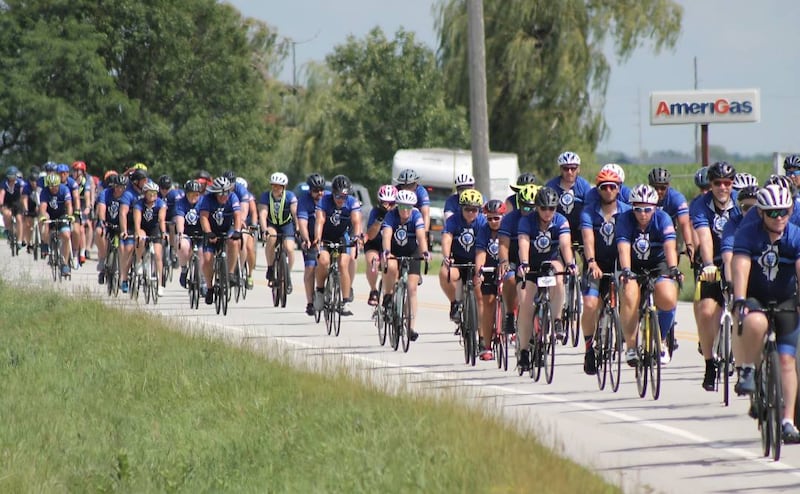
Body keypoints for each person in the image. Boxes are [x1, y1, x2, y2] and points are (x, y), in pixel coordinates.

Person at [731, 184, 800, 443]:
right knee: (756, 321)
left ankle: (787, 421)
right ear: (761, 213)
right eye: (772, 213)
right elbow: (741, 266)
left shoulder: (795, 235)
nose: (779, 217)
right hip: (756, 297)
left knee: (786, 362)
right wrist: (739, 298)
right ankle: (748, 368)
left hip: (786, 299)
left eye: (783, 212)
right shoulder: (748, 234)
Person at [616, 184, 681, 366]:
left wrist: (673, 268)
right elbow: (623, 247)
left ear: (654, 208)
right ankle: (630, 346)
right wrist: (627, 270)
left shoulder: (663, 219)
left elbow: (669, 246)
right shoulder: (625, 219)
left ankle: (660, 339)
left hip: (657, 263)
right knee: (629, 294)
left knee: (668, 296)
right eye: (638, 209)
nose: (643, 214)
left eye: (647, 209)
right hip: (634, 264)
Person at [690, 161, 741, 390]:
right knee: (705, 309)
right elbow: (705, 237)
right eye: (717, 183)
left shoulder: (741, 201)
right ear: (710, 185)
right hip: (714, 263)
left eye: (727, 183)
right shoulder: (700, 205)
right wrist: (709, 264)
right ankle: (710, 365)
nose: (722, 187)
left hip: (740, 260)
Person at [516, 187, 577, 369]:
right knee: (526, 306)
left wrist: (571, 263)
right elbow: (523, 243)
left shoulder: (561, 221)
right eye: (544, 208)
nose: (548, 212)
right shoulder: (527, 221)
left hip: (551, 261)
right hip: (532, 265)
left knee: (558, 276)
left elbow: (565, 244)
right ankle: (525, 350)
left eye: (552, 208)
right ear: (537, 207)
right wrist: (525, 263)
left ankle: (557, 320)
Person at [580, 169, 630, 375]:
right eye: (604, 187)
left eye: (613, 186)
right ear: (598, 189)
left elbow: (628, 242)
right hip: (596, 264)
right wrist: (591, 261)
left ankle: (627, 333)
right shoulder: (588, 212)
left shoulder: (627, 212)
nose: (609, 190)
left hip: (620, 264)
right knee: (591, 304)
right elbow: (588, 239)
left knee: (630, 296)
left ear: (619, 189)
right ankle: (589, 348)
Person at [380, 189, 430, 342]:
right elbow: (387, 235)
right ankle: (388, 296)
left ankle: (410, 327)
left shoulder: (416, 215)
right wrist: (387, 251)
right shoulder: (391, 215)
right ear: (397, 206)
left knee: (412, 288)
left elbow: (421, 236)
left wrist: (425, 252)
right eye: (402, 206)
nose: (405, 210)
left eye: (408, 207)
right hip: (394, 250)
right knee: (392, 267)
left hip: (412, 251)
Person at [313, 175, 363, 316]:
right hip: (325, 236)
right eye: (337, 196)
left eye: (344, 196)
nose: (341, 200)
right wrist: (317, 238)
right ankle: (320, 291)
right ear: (332, 193)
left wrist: (357, 237)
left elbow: (356, 222)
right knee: (323, 261)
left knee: (343, 264)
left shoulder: (352, 202)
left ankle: (345, 301)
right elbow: (320, 220)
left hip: (342, 236)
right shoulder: (324, 201)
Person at [439, 189, 487, 324]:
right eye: (467, 209)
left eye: (474, 210)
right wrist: (446, 256)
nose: (471, 213)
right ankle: (455, 302)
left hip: (477, 260)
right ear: (461, 208)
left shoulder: (482, 221)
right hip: (458, 260)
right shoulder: (453, 220)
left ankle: (480, 330)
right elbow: (447, 238)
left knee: (480, 293)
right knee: (445, 273)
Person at [498, 183, 539, 335]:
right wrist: (504, 262)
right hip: (514, 257)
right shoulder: (510, 219)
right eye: (526, 207)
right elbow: (503, 243)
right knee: (509, 279)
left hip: (536, 258)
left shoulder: (544, 218)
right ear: (519, 205)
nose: (530, 211)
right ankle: (509, 314)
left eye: (534, 208)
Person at [199, 177, 243, 305]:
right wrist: (208, 232)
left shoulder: (233, 197)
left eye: (226, 193)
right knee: (207, 259)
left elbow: (237, 215)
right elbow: (203, 217)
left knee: (234, 242)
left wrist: (237, 230)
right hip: (211, 230)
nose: (224, 196)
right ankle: (209, 288)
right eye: (221, 193)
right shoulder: (207, 199)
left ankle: (230, 273)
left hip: (227, 228)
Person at [475, 199, 507, 360]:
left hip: (506, 268)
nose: (493, 222)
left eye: (497, 218)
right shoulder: (483, 230)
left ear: (503, 216)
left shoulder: (509, 228)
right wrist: (479, 271)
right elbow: (480, 253)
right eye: (490, 218)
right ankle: (486, 346)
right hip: (489, 268)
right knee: (488, 304)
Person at [545, 151, 591, 253]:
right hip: (558, 227)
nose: (569, 172)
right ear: (561, 169)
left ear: (578, 169)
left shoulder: (584, 185)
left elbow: (589, 208)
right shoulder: (551, 186)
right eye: (566, 168)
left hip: (579, 227)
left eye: (573, 168)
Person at [259, 172, 298, 292]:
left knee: (289, 248)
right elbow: (263, 213)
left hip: (286, 224)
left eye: (279, 186)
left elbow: (295, 213)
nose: (276, 188)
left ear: (284, 187)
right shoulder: (266, 196)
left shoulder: (290, 196)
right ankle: (270, 268)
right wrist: (264, 229)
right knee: (271, 237)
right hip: (272, 224)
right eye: (274, 185)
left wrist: (298, 228)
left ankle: (288, 275)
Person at [296, 173, 328, 315]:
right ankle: (310, 302)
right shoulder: (304, 201)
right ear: (310, 190)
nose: (319, 193)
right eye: (316, 190)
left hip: (327, 237)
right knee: (310, 267)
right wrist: (306, 239)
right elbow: (302, 223)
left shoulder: (328, 198)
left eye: (321, 189)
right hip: (309, 237)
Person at [648, 167, 694, 261]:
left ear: (668, 186)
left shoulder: (676, 198)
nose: (658, 191)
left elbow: (684, 223)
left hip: (672, 230)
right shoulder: (644, 197)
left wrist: (689, 244)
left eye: (662, 188)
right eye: (655, 188)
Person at [132, 181, 167, 296]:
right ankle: (138, 261)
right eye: (150, 193)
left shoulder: (160, 204)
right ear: (145, 193)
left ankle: (160, 284)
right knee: (141, 239)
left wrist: (163, 232)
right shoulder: (139, 204)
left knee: (157, 255)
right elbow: (137, 221)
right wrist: (137, 232)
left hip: (154, 228)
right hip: (143, 227)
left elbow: (161, 220)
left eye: (155, 193)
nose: (153, 195)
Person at [364, 184, 398, 306]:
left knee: (392, 266)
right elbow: (371, 236)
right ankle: (374, 290)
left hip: (391, 245)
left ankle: (392, 293)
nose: (388, 206)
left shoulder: (398, 214)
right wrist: (380, 219)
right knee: (373, 262)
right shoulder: (375, 212)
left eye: (391, 203)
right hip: (375, 243)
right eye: (384, 203)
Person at [95, 174, 130, 284]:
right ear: (113, 185)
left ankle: (123, 272)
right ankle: (102, 258)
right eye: (118, 186)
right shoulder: (105, 193)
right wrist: (102, 221)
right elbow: (102, 208)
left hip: (122, 225)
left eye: (123, 187)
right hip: (108, 222)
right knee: (99, 232)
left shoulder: (128, 196)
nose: (120, 189)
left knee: (124, 246)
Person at [38, 173, 74, 276]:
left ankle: (65, 264)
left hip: (61, 214)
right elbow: (43, 207)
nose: (53, 188)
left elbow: (69, 205)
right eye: (50, 186)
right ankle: (44, 243)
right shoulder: (45, 192)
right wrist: (43, 216)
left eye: (55, 186)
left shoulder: (64, 190)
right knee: (44, 220)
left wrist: (70, 215)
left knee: (66, 236)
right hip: (50, 214)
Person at [174, 180, 206, 291]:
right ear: (186, 194)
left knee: (203, 252)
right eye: (190, 194)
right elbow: (179, 219)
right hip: (187, 232)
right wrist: (180, 234)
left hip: (202, 232)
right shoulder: (181, 203)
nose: (193, 197)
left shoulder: (204, 202)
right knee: (182, 245)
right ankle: (184, 269)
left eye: (196, 194)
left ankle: (202, 279)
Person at [394, 168, 431, 238]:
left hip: (416, 220)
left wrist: (425, 233)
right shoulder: (396, 190)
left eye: (410, 185)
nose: (406, 188)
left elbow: (425, 213)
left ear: (416, 184)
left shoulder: (421, 191)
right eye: (403, 185)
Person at [0, 166, 29, 249]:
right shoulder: (4, 183)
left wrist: (24, 205)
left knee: (19, 219)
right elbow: (2, 194)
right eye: (10, 176)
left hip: (17, 203)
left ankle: (19, 241)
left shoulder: (20, 183)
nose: (12, 178)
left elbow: (22, 193)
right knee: (7, 214)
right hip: (7, 203)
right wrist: (1, 204)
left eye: (13, 176)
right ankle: (8, 230)